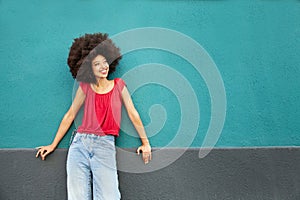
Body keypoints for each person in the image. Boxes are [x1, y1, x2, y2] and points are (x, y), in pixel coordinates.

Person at [36, 33, 152, 200]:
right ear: (87, 66)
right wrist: (53, 144)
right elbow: (70, 115)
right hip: (80, 144)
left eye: (105, 61)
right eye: (97, 64)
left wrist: (145, 142)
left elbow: (133, 114)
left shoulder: (118, 85)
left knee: (109, 196)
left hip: (105, 144)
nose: (103, 66)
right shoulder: (85, 87)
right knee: (77, 197)